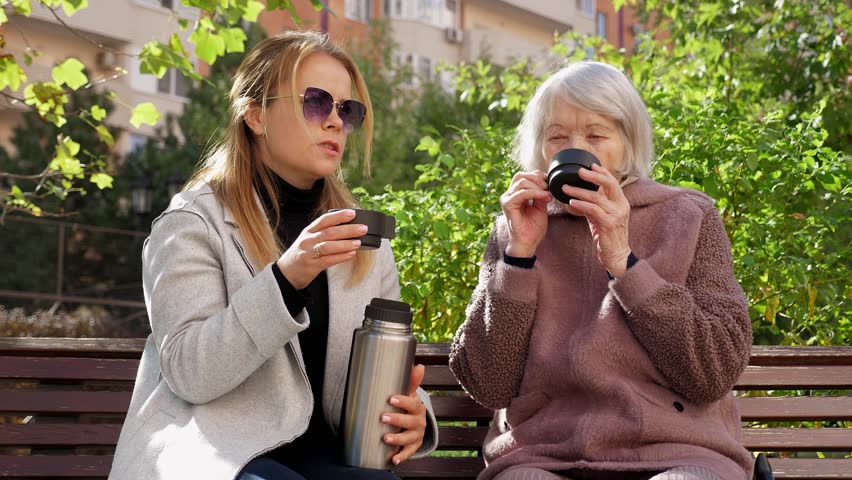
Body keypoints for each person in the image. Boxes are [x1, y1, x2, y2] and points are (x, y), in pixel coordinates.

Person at [109, 31, 437, 480]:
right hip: (213, 454)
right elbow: (190, 373)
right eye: (317, 101)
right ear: (256, 114)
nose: (336, 122)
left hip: (327, 455)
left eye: (349, 110)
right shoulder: (191, 222)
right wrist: (286, 279)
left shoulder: (361, 236)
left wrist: (413, 414)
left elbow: (381, 368)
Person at [449, 62, 754, 480]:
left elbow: (713, 371)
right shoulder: (515, 227)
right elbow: (489, 384)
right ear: (540, 150)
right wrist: (518, 257)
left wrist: (624, 262)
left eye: (595, 135)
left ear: (628, 143)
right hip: (543, 454)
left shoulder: (688, 215)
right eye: (558, 137)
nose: (577, 148)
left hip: (676, 452)